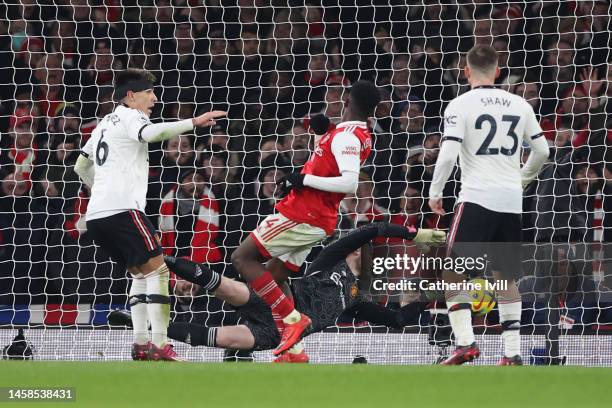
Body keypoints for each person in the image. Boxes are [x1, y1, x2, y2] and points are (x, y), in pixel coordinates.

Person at [112, 223, 446, 362]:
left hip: (277, 333)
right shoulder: (329, 260)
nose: (357, 248)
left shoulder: (357, 299)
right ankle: (160, 258)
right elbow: (372, 229)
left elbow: (399, 320)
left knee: (226, 339)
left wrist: (421, 298)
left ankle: (137, 326)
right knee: (226, 287)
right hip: (282, 305)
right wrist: (414, 234)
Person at [74, 68, 225, 361]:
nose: (154, 98)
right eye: (149, 93)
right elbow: (151, 133)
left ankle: (141, 344)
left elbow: (81, 167)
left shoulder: (104, 123)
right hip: (122, 208)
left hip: (96, 215)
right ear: (131, 96)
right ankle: (159, 344)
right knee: (159, 271)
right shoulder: (133, 116)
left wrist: (102, 189)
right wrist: (194, 122)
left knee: (141, 273)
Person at [230, 80, 381, 357]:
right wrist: (322, 134)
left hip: (302, 214)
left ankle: (293, 321)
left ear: (347, 100)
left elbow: (348, 183)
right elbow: (328, 164)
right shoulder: (349, 132)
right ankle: (293, 350)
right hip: (314, 216)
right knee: (275, 276)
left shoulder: (348, 137)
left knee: (242, 258)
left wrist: (302, 178)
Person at [428, 45, 550, 365]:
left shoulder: (459, 104)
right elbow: (543, 153)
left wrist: (435, 191)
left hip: (477, 198)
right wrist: (522, 180)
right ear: (498, 72)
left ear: (466, 71)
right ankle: (512, 352)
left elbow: (449, 152)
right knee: (505, 278)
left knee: (453, 273)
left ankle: (466, 342)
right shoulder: (520, 104)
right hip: (511, 202)